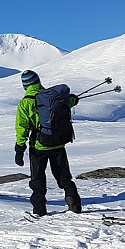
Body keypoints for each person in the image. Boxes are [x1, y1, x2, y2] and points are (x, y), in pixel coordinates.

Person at [15, 70, 82, 216]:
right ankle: (74, 204)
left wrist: (19, 149)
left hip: (38, 145)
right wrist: (74, 99)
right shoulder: (54, 98)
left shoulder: (25, 103)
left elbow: (22, 128)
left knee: (37, 178)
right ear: (38, 81)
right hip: (58, 143)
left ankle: (39, 210)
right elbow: (70, 102)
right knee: (64, 175)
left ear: (25, 86)